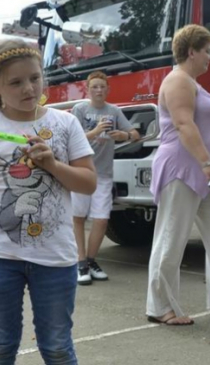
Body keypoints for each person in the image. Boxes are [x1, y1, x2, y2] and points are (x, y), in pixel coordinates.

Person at [0, 38, 96, 364]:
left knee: (58, 346)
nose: (28, 88)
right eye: (15, 82)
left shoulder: (65, 123)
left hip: (56, 257)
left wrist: (51, 164)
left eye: (34, 78)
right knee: (1, 346)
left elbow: (88, 183)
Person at [146, 24, 210, 326]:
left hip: (206, 171)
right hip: (184, 169)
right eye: (207, 51)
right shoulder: (178, 80)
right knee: (172, 237)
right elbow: (184, 124)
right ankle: (160, 307)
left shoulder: (194, 83)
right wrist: (208, 163)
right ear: (192, 51)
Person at [71, 71, 139, 285]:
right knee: (78, 217)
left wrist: (124, 136)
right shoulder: (80, 109)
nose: (99, 90)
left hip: (103, 173)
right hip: (81, 170)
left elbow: (135, 135)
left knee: (101, 219)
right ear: (87, 89)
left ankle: (91, 261)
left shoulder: (114, 110)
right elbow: (72, 137)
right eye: (95, 87)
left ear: (108, 89)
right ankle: (80, 262)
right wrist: (96, 131)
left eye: (102, 87)